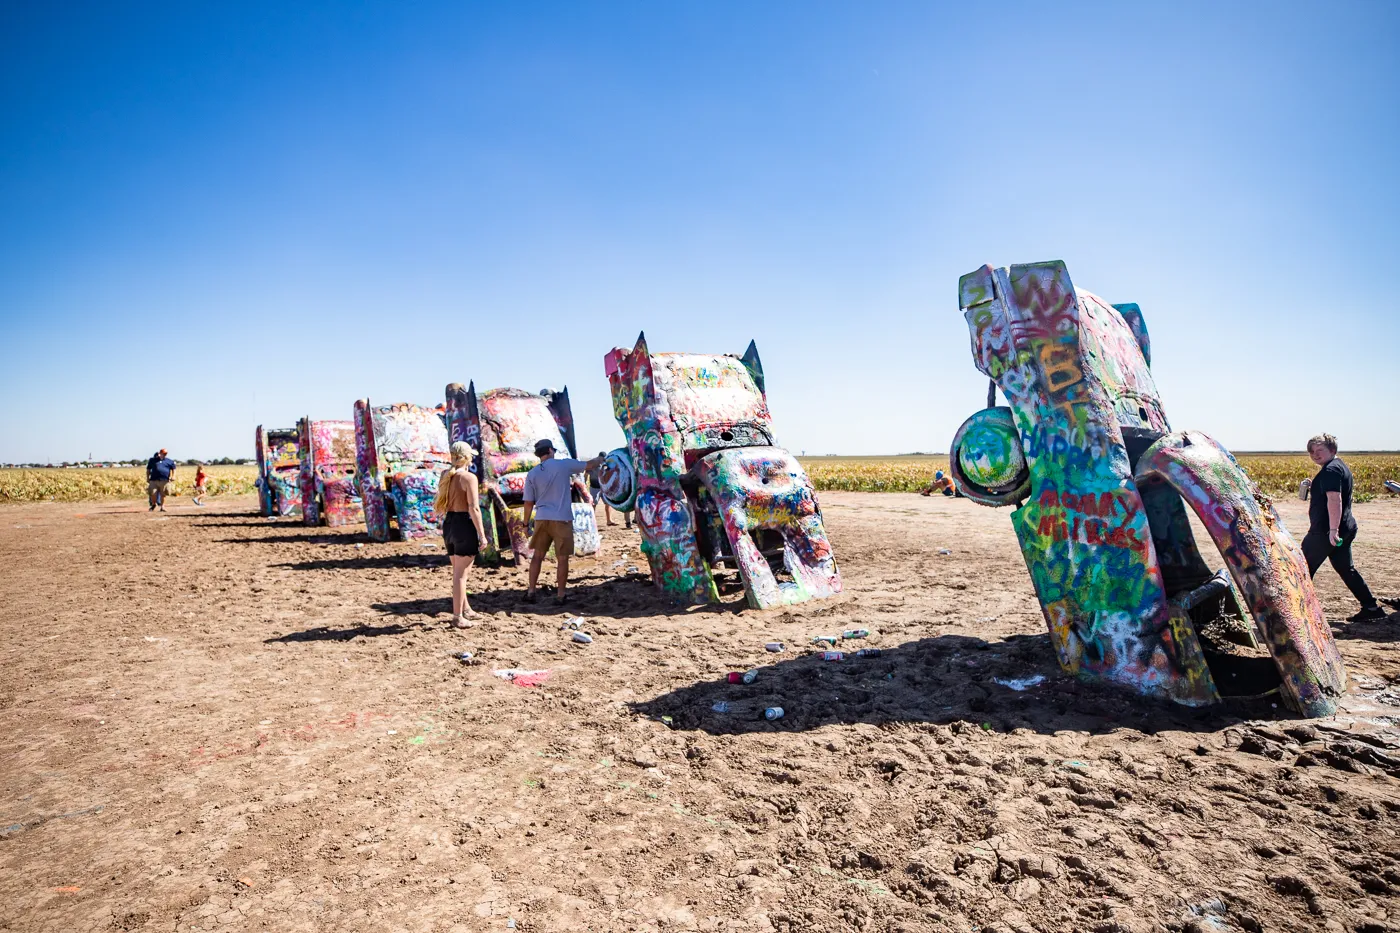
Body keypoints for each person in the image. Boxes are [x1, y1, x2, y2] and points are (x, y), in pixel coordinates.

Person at [1301, 434, 1386, 622]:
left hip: (1325, 532)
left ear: (1333, 450)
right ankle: (1371, 608)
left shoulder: (1331, 470)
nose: (1315, 455)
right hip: (1345, 528)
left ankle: (1297, 614)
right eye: (1311, 452)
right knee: (1346, 569)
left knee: (1301, 569)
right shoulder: (1337, 467)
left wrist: (1332, 531)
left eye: (1319, 450)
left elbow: (1334, 499)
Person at [521, 439, 604, 603]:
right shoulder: (563, 465)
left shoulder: (532, 473)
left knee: (537, 556)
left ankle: (531, 591)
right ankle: (560, 595)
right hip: (562, 519)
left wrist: (525, 524)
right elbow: (589, 465)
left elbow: (528, 502)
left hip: (542, 518)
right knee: (562, 558)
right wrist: (601, 458)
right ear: (551, 450)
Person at [433, 441, 488, 627]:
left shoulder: (445, 476)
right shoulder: (469, 478)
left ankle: (466, 609)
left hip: (449, 524)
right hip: (464, 524)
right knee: (461, 576)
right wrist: (482, 534)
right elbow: (474, 508)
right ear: (468, 457)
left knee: (458, 571)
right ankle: (457, 617)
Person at [588, 450, 618, 527]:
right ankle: (591, 522)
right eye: (602, 458)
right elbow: (586, 473)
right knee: (593, 504)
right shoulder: (593, 464)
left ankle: (609, 520)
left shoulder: (606, 465)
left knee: (608, 504)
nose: (603, 460)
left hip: (604, 488)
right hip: (594, 487)